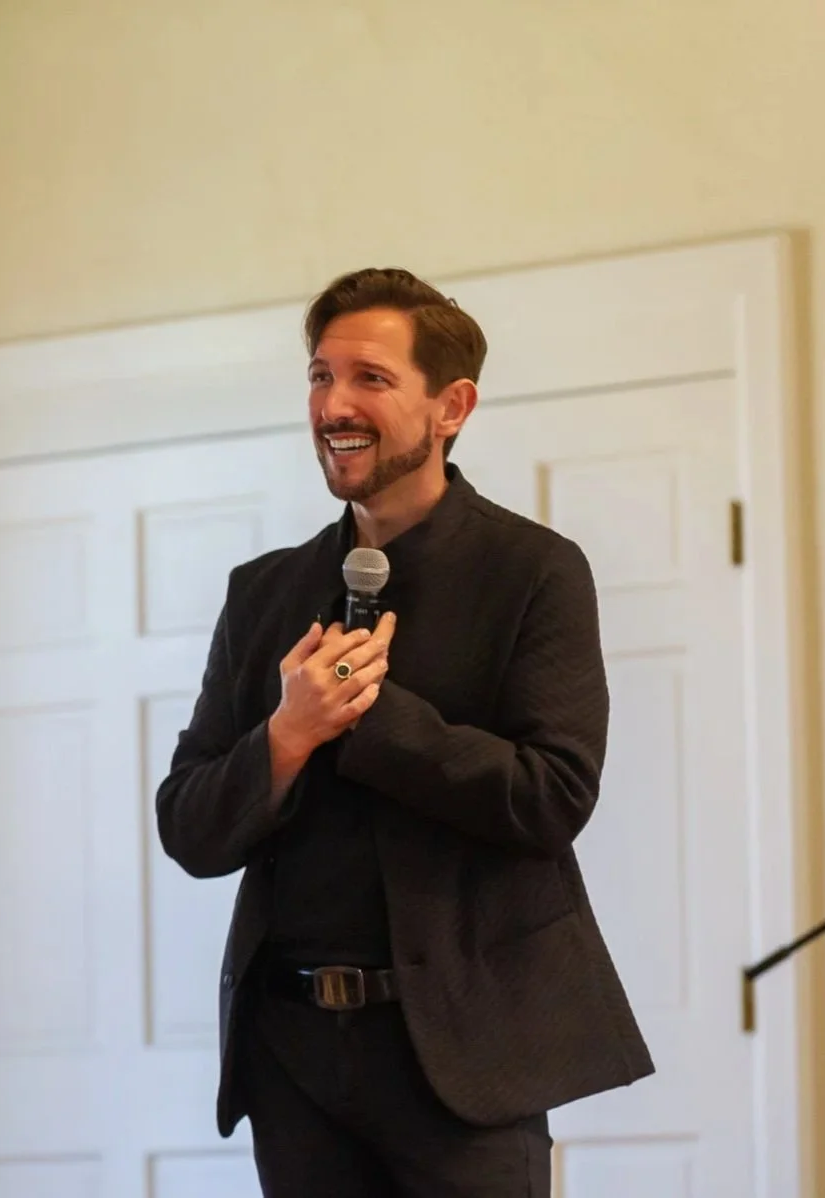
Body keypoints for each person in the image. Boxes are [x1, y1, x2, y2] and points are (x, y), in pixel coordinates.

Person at [155, 268, 653, 1196]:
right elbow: (187, 826)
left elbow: (549, 799)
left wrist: (375, 720)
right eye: (317, 376)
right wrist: (287, 736)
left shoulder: (533, 573)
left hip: (463, 1060)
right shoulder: (260, 592)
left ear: (451, 405)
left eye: (369, 379)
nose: (332, 404)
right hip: (292, 1060)